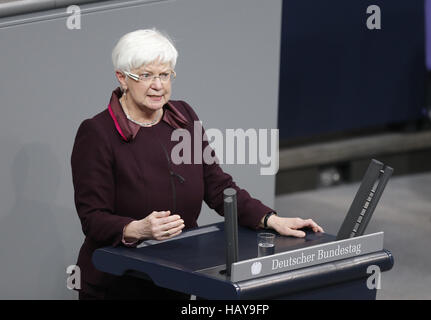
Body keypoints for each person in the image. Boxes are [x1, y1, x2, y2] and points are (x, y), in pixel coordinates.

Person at [71, 28, 324, 300]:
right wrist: (138, 229)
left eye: (165, 74)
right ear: (122, 78)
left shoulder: (183, 116)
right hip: (119, 284)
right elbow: (93, 218)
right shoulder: (97, 133)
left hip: (178, 274)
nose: (158, 85)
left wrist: (269, 218)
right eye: (146, 75)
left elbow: (218, 186)